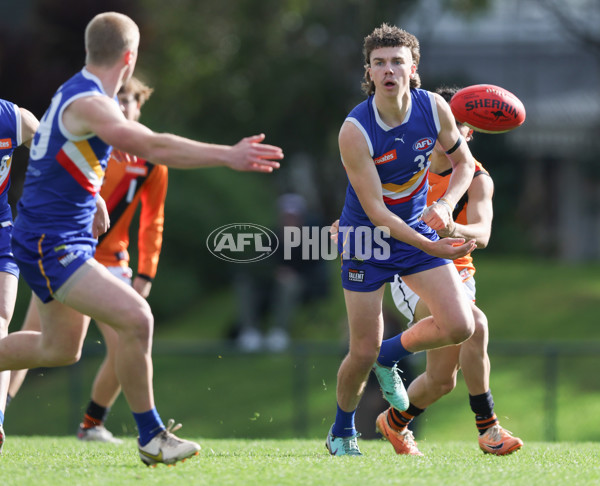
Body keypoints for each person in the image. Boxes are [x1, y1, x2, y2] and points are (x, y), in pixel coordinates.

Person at [0, 12, 282, 466]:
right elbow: (154, 146)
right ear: (129, 60)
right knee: (138, 316)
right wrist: (227, 154)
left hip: (52, 238)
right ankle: (151, 436)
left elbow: (53, 152)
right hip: (52, 244)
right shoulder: (91, 102)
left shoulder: (75, 93)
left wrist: (90, 197)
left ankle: (143, 433)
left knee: (58, 349)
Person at [326, 23, 478, 457]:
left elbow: (463, 164)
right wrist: (431, 245)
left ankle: (388, 356)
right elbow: (376, 211)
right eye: (379, 63)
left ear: (414, 68)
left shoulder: (433, 108)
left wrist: (446, 205)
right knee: (360, 349)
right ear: (369, 72)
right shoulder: (355, 130)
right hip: (366, 241)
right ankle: (342, 432)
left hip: (415, 230)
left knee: (460, 324)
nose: (388, 70)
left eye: (397, 61)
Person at [6, 76, 168, 445]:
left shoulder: (150, 159)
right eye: (119, 98)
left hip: (112, 262)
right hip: (64, 257)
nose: (125, 106)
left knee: (130, 334)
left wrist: (146, 272)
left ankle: (93, 424)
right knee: (42, 346)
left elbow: (153, 221)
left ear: (141, 107)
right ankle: (2, 411)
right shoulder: (93, 143)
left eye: (132, 100)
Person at [374, 86, 523, 456]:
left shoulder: (477, 178)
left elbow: (483, 234)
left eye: (458, 127)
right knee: (477, 324)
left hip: (460, 276)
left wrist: (450, 226)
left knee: (442, 382)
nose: (448, 133)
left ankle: (394, 422)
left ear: (468, 134)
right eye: (443, 124)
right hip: (413, 272)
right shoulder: (405, 166)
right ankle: (489, 429)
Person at [0, 100, 39, 452]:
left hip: (0, 231)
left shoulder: (13, 119)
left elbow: (56, 155)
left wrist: (92, 195)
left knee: (1, 319)